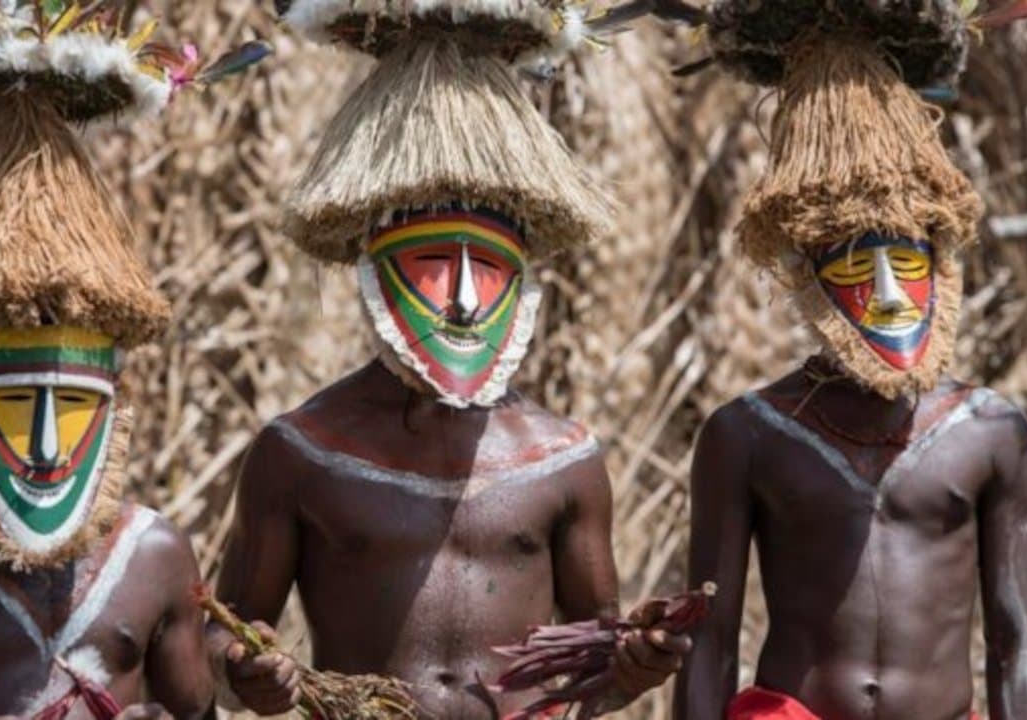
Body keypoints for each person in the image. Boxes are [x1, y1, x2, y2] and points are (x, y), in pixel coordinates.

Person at [206, 4, 690, 716]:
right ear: (376, 267)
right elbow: (223, 639)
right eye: (432, 266)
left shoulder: (562, 459)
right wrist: (253, 672)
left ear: (522, 277)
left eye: (488, 270)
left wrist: (636, 662)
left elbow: (598, 668)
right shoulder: (300, 452)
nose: (462, 302)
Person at [0, 5, 267, 716]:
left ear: (112, 402)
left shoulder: (155, 555)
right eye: (11, 404)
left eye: (70, 408)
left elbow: (196, 713)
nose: (43, 450)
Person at [672, 2, 1027, 718]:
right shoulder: (747, 434)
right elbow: (710, 644)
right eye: (853, 261)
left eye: (905, 260)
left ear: (940, 261)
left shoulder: (992, 430)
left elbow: (1018, 642)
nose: (884, 293)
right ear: (805, 269)